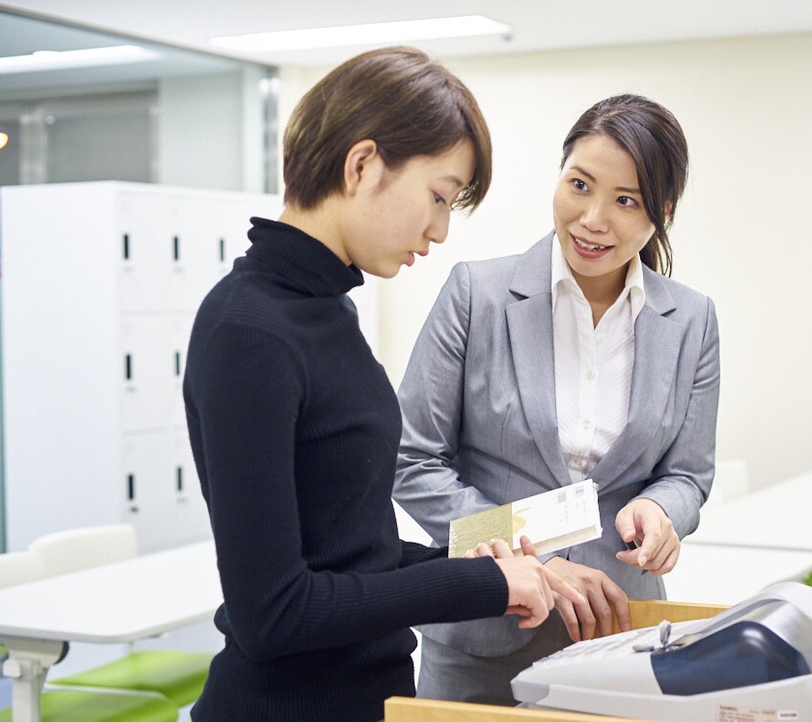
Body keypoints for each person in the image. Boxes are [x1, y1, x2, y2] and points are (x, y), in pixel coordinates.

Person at [182, 45, 582, 722]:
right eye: (437, 196)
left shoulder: (326, 307)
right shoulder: (248, 329)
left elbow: (351, 551)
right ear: (363, 164)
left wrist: (493, 570)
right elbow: (274, 613)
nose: (440, 229)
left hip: (371, 698)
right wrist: (476, 582)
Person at [393, 93, 720, 705]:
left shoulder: (691, 321)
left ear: (663, 214)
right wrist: (529, 557)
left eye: (627, 201)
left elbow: (688, 474)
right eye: (579, 185)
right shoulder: (476, 295)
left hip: (621, 632)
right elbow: (411, 462)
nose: (593, 218)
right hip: (482, 630)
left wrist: (663, 512)